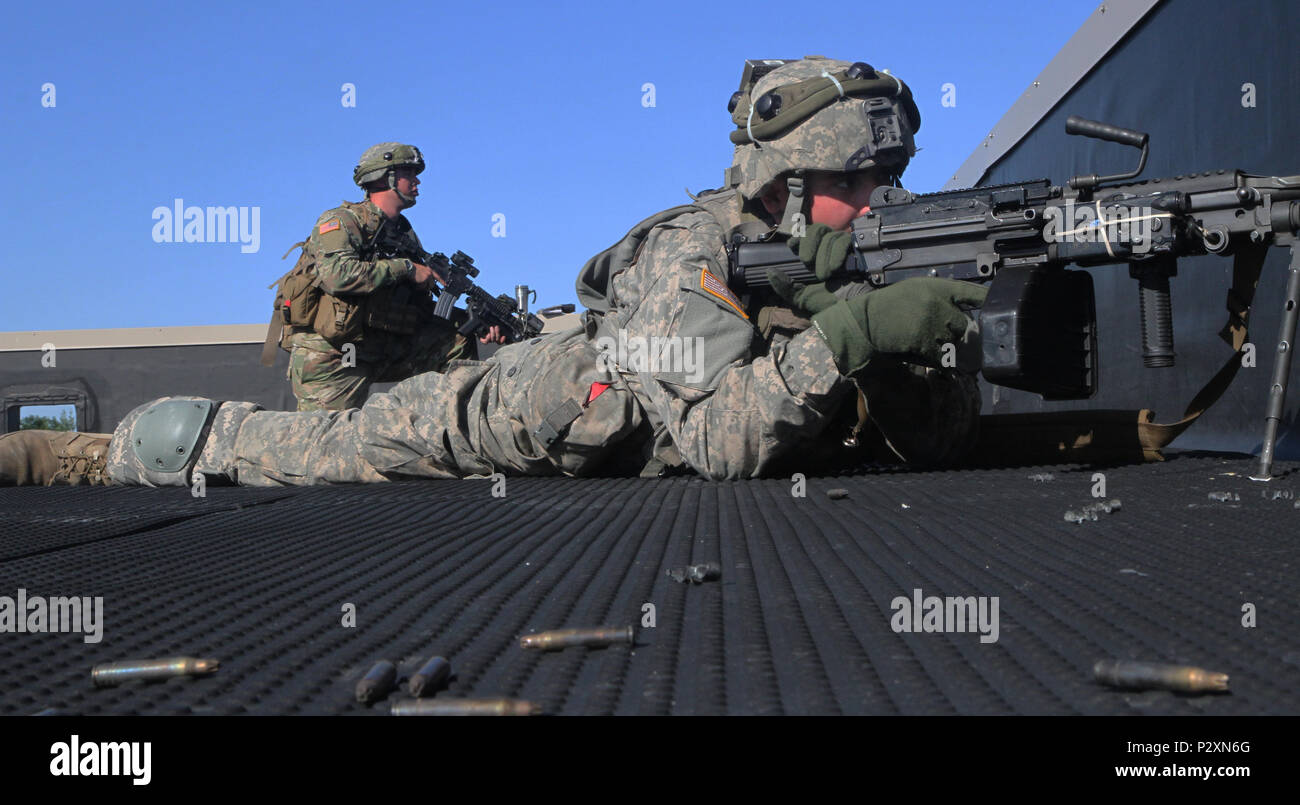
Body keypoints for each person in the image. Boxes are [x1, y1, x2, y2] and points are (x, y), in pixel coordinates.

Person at [0, 57, 984, 488]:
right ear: (781, 180)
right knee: (284, 449)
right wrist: (854, 334)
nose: (877, 204)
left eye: (889, 178)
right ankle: (78, 455)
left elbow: (914, 435)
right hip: (500, 419)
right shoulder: (698, 245)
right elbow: (723, 443)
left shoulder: (840, 255)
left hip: (573, 422)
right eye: (853, 181)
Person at [271, 142, 503, 412]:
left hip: (378, 346)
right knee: (326, 444)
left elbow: (417, 307)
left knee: (454, 340)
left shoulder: (403, 233)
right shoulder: (342, 221)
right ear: (385, 177)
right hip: (331, 352)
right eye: (409, 172)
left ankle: (447, 428)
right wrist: (406, 268)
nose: (417, 180)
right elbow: (337, 275)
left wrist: (472, 323)